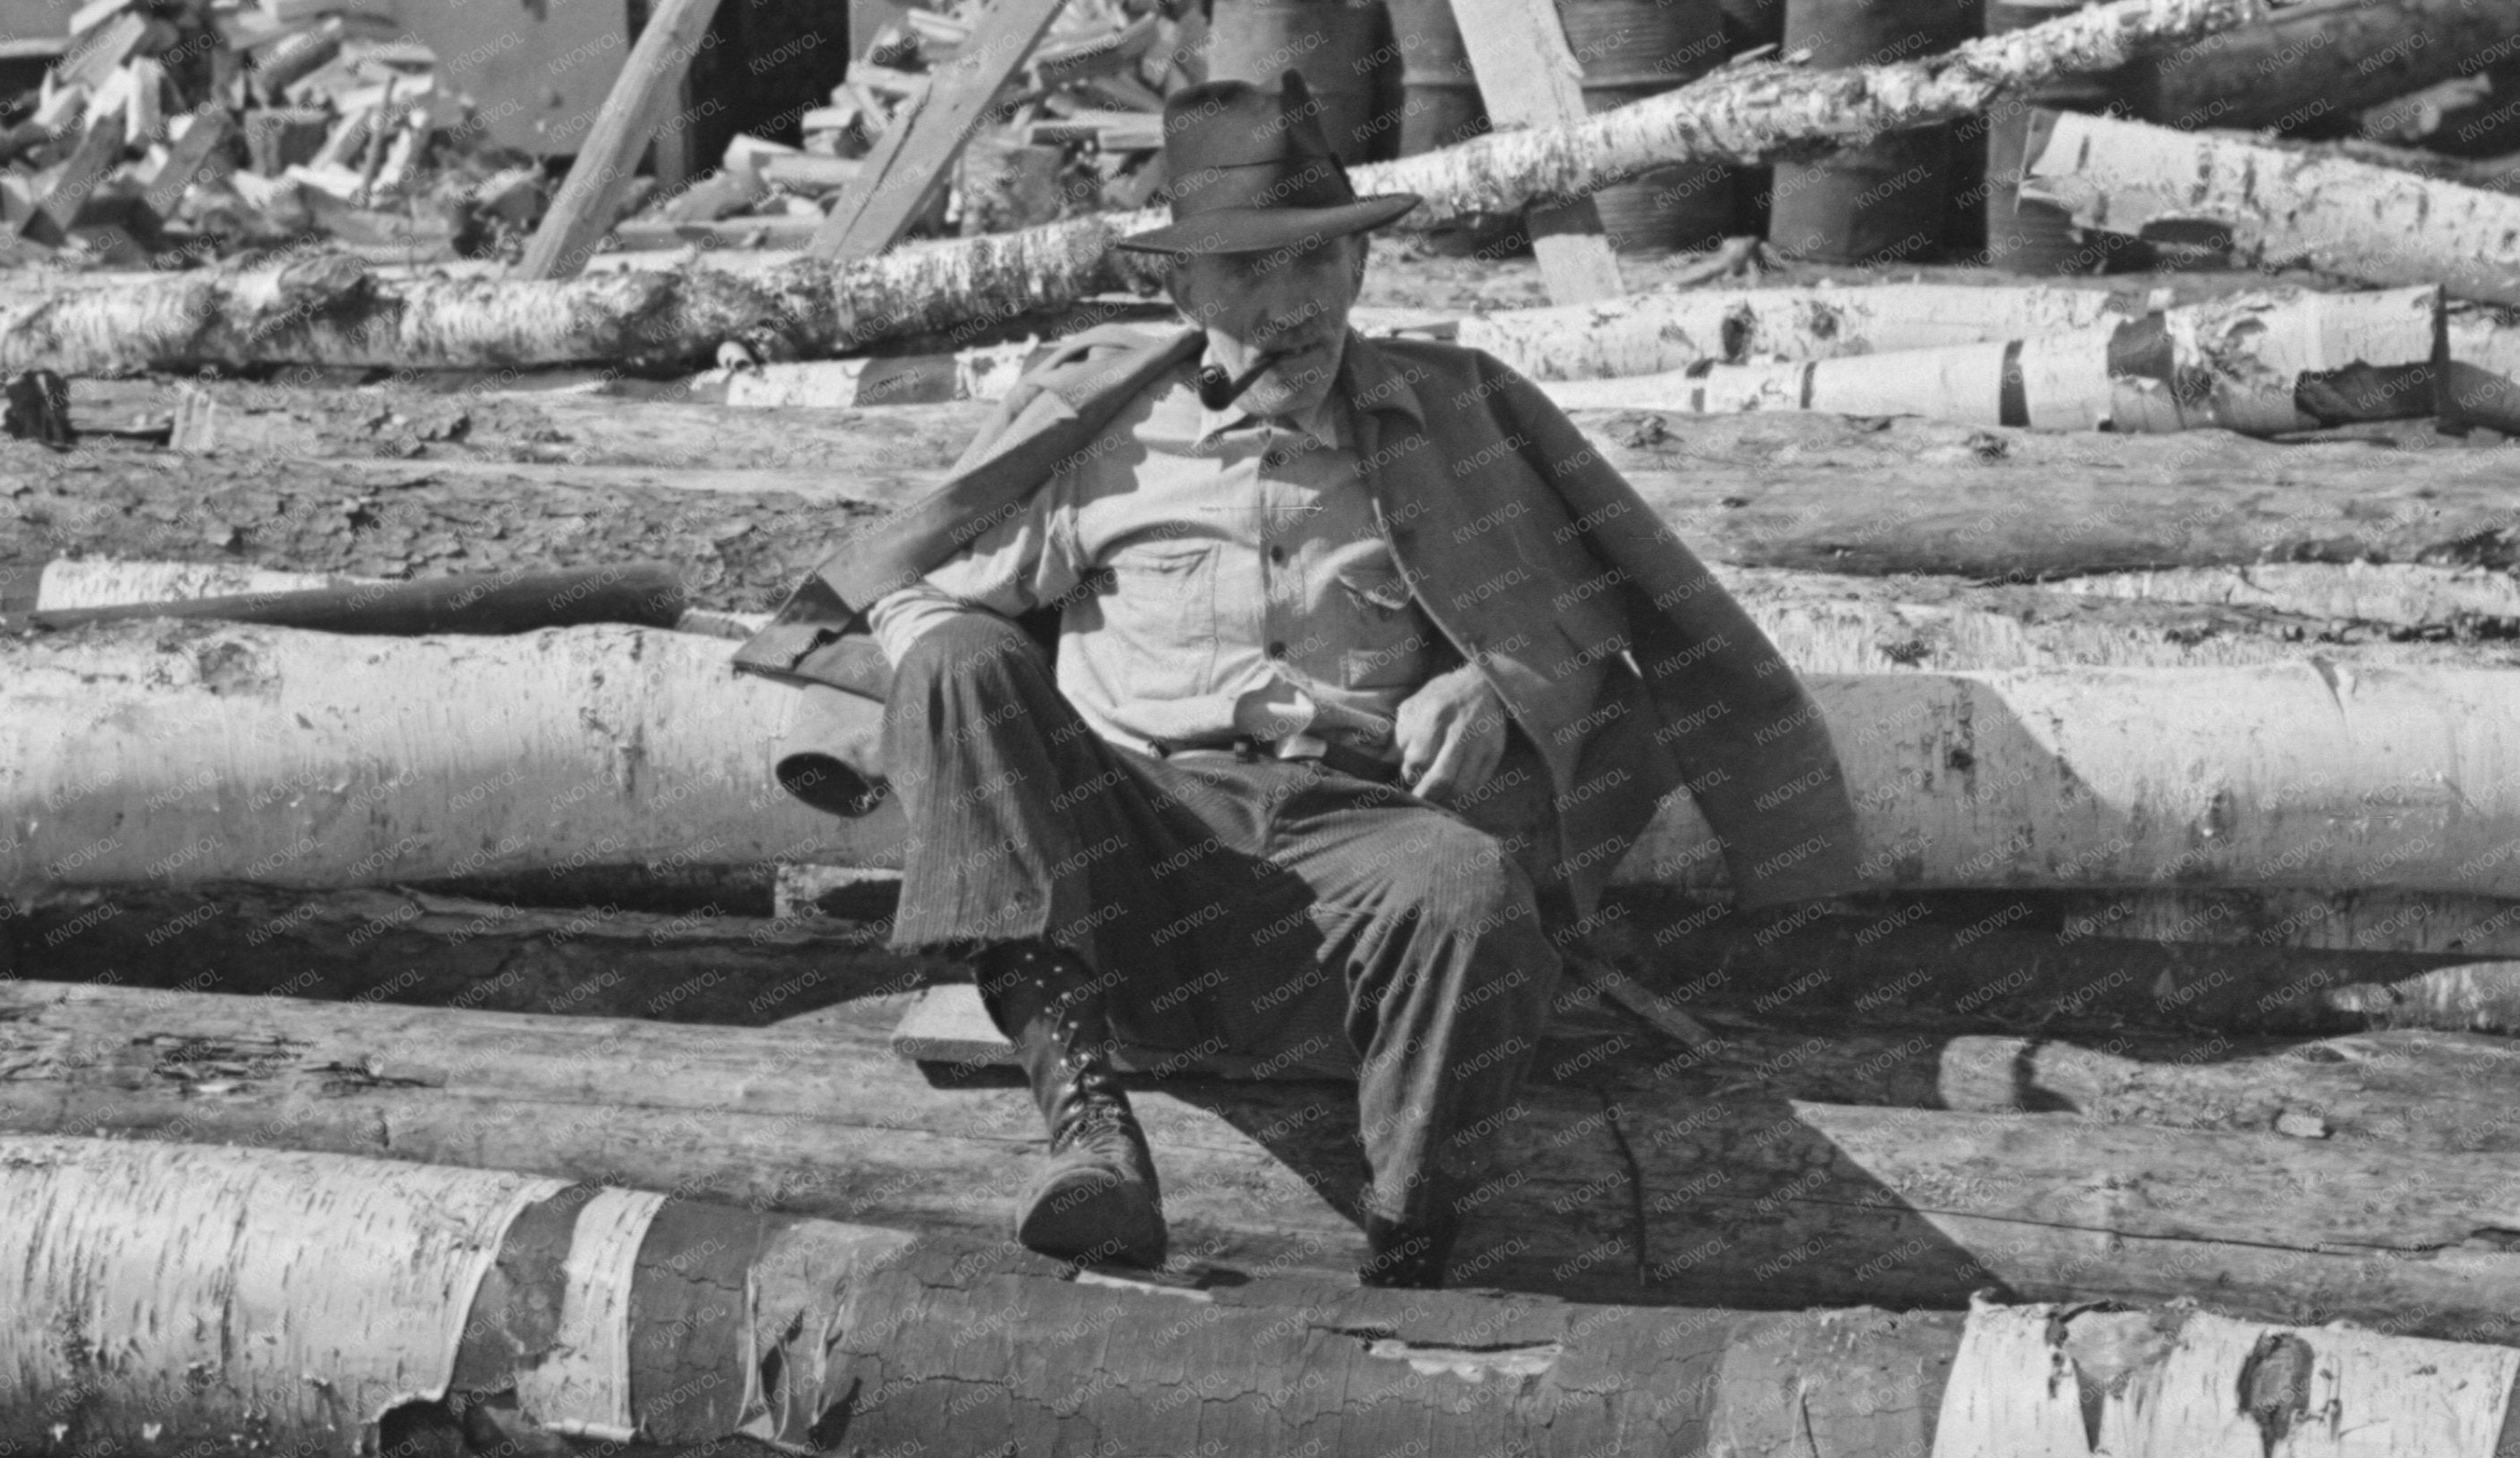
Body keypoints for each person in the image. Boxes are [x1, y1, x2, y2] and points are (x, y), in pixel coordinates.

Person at [734, 72, 1842, 1289]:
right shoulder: (1100, 430)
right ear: (1177, 287)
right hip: (1134, 839)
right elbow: (913, 590)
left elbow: (1606, 621)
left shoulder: (1454, 417)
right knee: (954, 657)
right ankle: (1089, 1130)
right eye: (1249, 272)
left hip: (1353, 841)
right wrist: (920, 683)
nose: (1289, 304)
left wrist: (1493, 675)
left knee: (1468, 888)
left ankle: (1409, 1226)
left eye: (1316, 264)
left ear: (1359, 272)